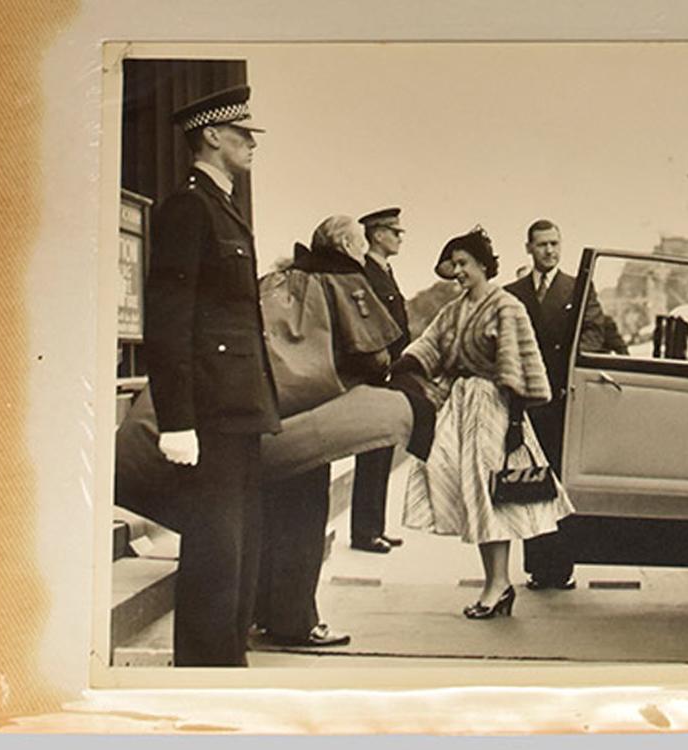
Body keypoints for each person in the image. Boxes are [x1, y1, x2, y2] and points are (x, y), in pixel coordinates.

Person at [143, 85, 280, 666]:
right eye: (243, 133)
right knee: (215, 552)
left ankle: (228, 662)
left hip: (240, 407)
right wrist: (177, 419)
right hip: (210, 412)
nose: (252, 142)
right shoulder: (188, 207)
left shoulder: (223, 206)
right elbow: (169, 320)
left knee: (240, 550)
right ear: (212, 135)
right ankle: (203, 671)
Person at [399, 227, 575, 618]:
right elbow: (431, 343)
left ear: (483, 265)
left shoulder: (506, 306)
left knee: (490, 495)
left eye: (464, 264)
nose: (458, 271)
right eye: (454, 265)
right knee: (472, 495)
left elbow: (515, 364)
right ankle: (496, 584)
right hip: (462, 406)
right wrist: (404, 363)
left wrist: (514, 424)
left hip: (495, 407)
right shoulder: (456, 308)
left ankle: (497, 586)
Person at [255, 216, 402, 648]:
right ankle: (298, 621)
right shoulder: (344, 281)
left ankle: (261, 612)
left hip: (268, 413)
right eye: (358, 244)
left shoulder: (276, 278)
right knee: (304, 521)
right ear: (344, 245)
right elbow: (373, 353)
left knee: (269, 517)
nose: (361, 253)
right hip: (313, 414)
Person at [503, 219, 603, 591]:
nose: (550, 251)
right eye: (542, 244)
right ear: (528, 248)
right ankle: (536, 567)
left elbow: (595, 330)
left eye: (555, 244)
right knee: (530, 485)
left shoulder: (577, 287)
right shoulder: (511, 292)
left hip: (564, 400)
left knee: (560, 483)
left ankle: (560, 569)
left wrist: (577, 364)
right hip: (526, 404)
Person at [349, 207, 412, 554]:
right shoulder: (365, 272)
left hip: (391, 370)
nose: (400, 238)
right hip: (376, 372)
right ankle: (364, 532)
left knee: (383, 450)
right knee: (371, 452)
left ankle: (376, 526)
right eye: (395, 231)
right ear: (377, 234)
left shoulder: (385, 271)